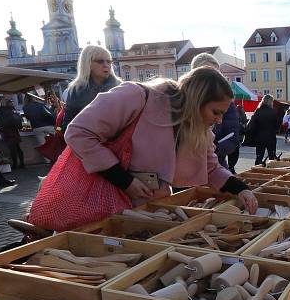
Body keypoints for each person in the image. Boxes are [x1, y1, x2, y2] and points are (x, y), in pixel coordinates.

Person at [51, 66, 257, 221]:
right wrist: (124, 180)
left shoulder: (196, 127)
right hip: (98, 205)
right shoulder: (135, 96)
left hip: (144, 213)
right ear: (197, 100)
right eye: (216, 112)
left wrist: (241, 189)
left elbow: (210, 166)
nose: (220, 120)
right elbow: (78, 132)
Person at [190, 52, 241, 173]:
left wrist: (215, 149)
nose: (213, 79)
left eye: (217, 74)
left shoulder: (227, 103)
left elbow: (233, 138)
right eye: (208, 74)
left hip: (216, 166)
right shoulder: (184, 102)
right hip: (187, 173)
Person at [61, 44, 121, 133]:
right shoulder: (76, 90)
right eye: (100, 61)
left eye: (109, 61)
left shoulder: (120, 87)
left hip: (119, 142)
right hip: (88, 142)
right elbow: (68, 124)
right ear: (87, 63)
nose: (106, 65)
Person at [247, 94, 279, 165]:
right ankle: (271, 172)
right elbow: (277, 127)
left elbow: (252, 123)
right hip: (271, 137)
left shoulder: (258, 111)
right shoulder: (273, 112)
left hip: (259, 137)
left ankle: (256, 170)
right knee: (272, 157)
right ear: (271, 102)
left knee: (259, 156)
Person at [0, 99, 25, 169]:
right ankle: (22, 164)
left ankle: (15, 164)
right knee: (18, 148)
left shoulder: (1, 111)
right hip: (14, 132)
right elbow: (19, 124)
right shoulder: (13, 111)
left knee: (13, 149)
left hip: (7, 133)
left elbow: (1, 123)